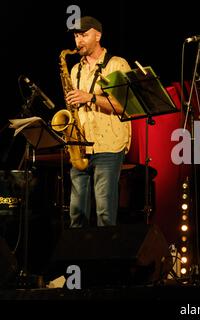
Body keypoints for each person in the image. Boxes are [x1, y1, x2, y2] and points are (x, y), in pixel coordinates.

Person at [65, 16, 132, 227]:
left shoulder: (116, 64)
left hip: (108, 146)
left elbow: (125, 106)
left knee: (104, 214)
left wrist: (90, 97)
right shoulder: (75, 70)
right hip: (80, 147)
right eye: (76, 36)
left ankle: (106, 259)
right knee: (76, 216)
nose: (79, 41)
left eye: (84, 35)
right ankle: (78, 257)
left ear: (98, 35)